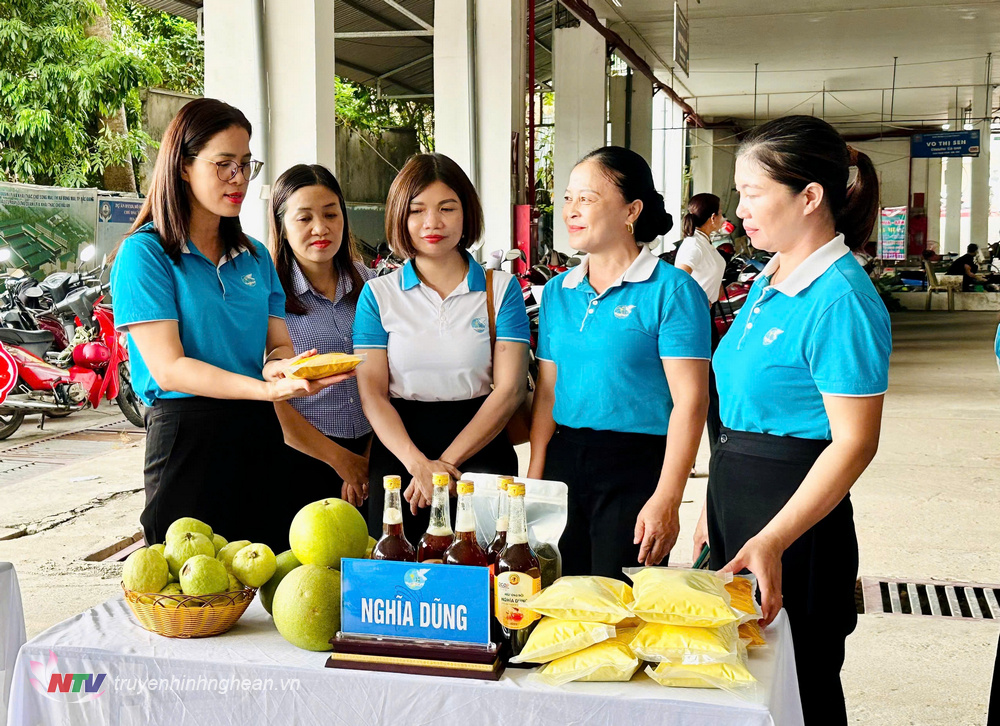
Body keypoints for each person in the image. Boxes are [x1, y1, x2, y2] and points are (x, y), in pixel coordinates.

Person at [694, 115, 891, 724]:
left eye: (753, 193)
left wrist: (775, 537)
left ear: (810, 197)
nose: (738, 211)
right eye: (738, 192)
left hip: (797, 524)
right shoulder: (770, 278)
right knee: (742, 685)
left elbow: (855, 443)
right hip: (739, 507)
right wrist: (711, 504)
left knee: (800, 691)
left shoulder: (841, 298)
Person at [110, 99, 350, 550]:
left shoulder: (256, 256)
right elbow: (170, 368)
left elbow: (275, 345)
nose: (238, 178)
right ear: (183, 166)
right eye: (223, 165)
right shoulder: (146, 255)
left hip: (259, 436)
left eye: (245, 164)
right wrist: (265, 389)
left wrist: (284, 368)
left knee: (265, 581)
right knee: (191, 596)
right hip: (186, 436)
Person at [526, 146, 711, 579]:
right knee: (558, 602)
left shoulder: (673, 291)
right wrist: (534, 481)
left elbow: (692, 402)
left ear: (631, 210)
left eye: (587, 199)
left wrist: (668, 497)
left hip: (637, 467)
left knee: (623, 608)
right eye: (568, 198)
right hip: (564, 462)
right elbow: (549, 391)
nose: (571, 210)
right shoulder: (558, 292)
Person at [353, 153, 530, 544]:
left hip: (481, 448)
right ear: (401, 216)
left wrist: (445, 466)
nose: (432, 223)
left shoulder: (501, 289)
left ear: (466, 213)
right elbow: (372, 393)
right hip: (400, 452)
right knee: (398, 581)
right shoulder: (378, 295)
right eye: (417, 210)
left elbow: (510, 390)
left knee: (485, 576)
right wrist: (418, 465)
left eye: (447, 208)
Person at [268, 164, 375, 511]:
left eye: (331, 214)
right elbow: (273, 401)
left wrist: (370, 455)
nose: (321, 228)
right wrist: (342, 461)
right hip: (304, 457)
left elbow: (390, 374)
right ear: (282, 226)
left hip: (375, 451)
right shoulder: (269, 297)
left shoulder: (369, 284)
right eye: (304, 218)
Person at [677, 192, 728, 461]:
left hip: (705, 318)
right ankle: (692, 456)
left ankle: (713, 449)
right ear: (712, 218)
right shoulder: (692, 246)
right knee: (699, 388)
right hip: (694, 321)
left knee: (710, 387)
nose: (723, 218)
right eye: (721, 213)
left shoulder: (705, 242)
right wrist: (698, 303)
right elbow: (679, 280)